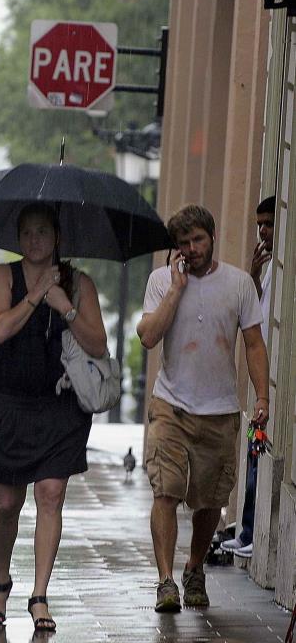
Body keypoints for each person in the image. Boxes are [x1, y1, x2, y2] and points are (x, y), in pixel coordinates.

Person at [0, 203, 108, 633]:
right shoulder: (3, 277)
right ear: (19, 240)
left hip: (60, 407)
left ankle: (39, 595)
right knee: (6, 504)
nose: (35, 241)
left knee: (50, 494)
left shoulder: (79, 283)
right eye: (28, 233)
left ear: (57, 238)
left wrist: (66, 307)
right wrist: (36, 297)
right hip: (9, 404)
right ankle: (2, 581)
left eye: (43, 233)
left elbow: (98, 344)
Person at [137, 204, 269, 613]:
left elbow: (253, 343)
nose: (192, 249)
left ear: (212, 237)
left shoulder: (238, 284)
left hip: (220, 410)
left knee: (210, 500)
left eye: (198, 240)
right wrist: (176, 290)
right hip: (171, 405)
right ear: (175, 249)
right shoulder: (161, 281)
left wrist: (262, 396)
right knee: (166, 490)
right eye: (183, 244)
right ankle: (165, 582)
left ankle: (194, 568)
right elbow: (147, 337)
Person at [220, 195, 275, 560]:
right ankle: (248, 529)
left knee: (260, 451)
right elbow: (254, 311)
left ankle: (253, 529)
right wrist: (254, 274)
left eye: (268, 223)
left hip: (272, 374)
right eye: (259, 224)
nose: (262, 231)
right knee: (255, 452)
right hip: (262, 374)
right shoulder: (269, 264)